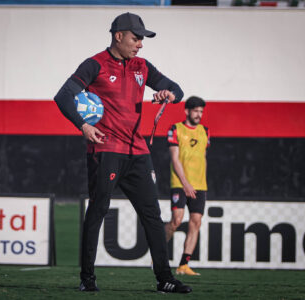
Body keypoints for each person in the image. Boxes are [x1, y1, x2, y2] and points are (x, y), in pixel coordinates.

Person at [54, 12, 192, 293]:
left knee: (153, 215)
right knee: (98, 211)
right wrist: (82, 125)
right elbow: (63, 95)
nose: (140, 44)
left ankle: (165, 279)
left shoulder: (142, 65)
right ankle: (88, 279)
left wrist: (169, 95)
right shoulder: (95, 64)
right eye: (136, 37)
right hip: (106, 149)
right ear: (119, 36)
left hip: (138, 152)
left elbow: (176, 88)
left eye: (142, 39)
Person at [164, 96, 209, 276]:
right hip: (180, 183)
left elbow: (202, 157)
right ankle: (157, 251)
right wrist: (186, 184)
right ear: (187, 111)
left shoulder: (205, 131)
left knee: (196, 222)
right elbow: (175, 159)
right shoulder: (176, 129)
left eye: (201, 111)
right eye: (196, 111)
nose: (199, 115)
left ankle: (184, 264)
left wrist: (199, 182)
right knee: (176, 220)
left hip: (200, 185)